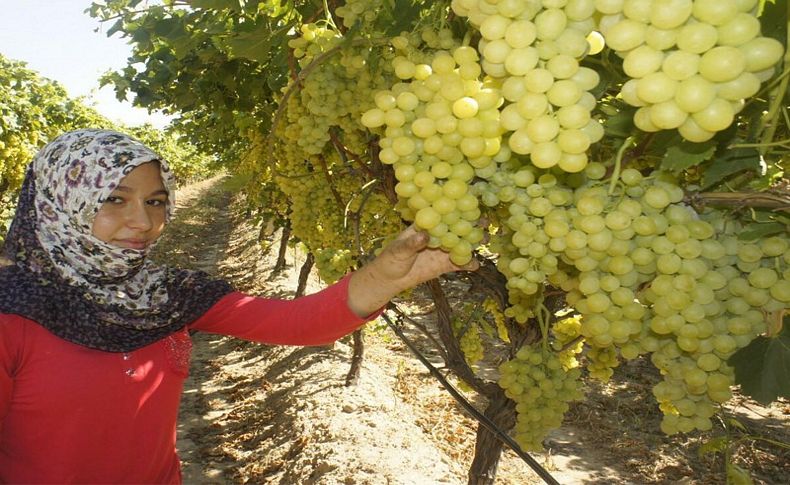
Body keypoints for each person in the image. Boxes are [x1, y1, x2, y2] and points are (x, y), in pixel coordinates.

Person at [0, 128, 477, 483]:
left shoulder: (168, 295)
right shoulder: (12, 314)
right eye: (114, 199)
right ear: (58, 202)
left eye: (157, 201)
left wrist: (389, 276)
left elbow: (296, 324)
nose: (141, 221)